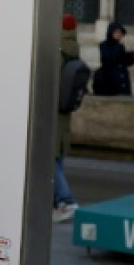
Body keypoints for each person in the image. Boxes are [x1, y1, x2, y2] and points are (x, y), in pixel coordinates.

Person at [54, 14, 82, 224]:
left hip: (51, 112)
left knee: (49, 159)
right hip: (64, 113)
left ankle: (66, 200)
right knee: (57, 157)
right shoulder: (74, 50)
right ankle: (58, 204)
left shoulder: (58, 50)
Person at [94, 22, 134, 96]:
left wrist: (130, 53)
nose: (119, 35)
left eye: (120, 33)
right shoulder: (104, 45)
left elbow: (130, 62)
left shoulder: (121, 46)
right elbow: (108, 59)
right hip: (110, 84)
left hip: (123, 83)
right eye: (116, 32)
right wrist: (119, 46)